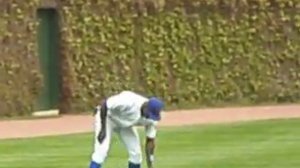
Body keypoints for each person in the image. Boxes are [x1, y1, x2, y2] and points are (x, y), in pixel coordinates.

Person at [89, 90, 164, 168]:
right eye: (148, 114)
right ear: (146, 106)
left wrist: (150, 165)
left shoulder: (151, 120)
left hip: (125, 124)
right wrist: (103, 129)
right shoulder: (129, 101)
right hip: (108, 118)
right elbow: (105, 104)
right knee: (102, 151)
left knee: (136, 154)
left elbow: (150, 140)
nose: (148, 117)